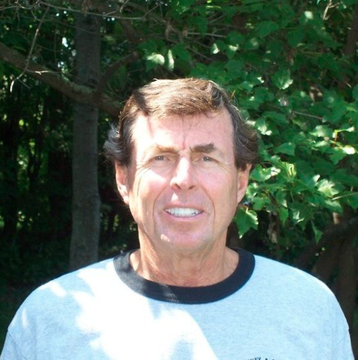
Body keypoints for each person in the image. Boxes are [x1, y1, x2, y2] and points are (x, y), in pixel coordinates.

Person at [1, 78, 354, 360]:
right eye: (161, 158)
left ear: (241, 181)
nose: (183, 178)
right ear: (123, 179)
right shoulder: (49, 319)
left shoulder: (310, 309)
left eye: (206, 159)